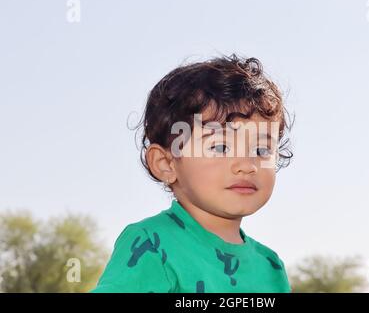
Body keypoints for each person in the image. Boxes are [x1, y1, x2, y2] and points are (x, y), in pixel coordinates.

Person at [91, 54, 294, 292]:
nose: (247, 164)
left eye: (261, 149)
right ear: (166, 163)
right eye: (220, 147)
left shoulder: (271, 267)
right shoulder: (152, 243)